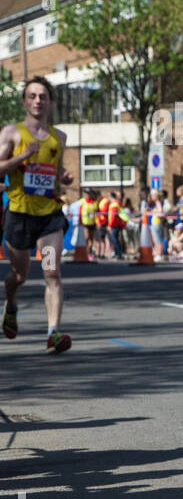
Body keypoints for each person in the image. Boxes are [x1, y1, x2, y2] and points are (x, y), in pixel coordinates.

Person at [0, 76, 75, 352]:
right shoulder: (11, 133)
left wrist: (63, 177)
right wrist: (22, 157)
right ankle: (11, 305)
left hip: (49, 217)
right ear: (24, 101)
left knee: (51, 272)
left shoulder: (59, 137)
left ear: (50, 102)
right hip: (19, 215)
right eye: (32, 96)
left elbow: (54, 172)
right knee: (19, 276)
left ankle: (53, 333)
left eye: (43, 96)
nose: (37, 101)